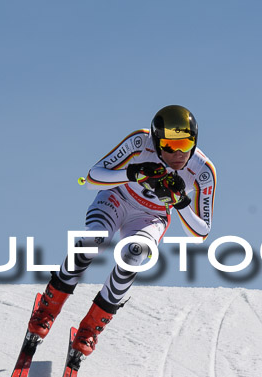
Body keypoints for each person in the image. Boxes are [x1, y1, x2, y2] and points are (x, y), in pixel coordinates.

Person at [26, 105, 217, 358]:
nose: (179, 153)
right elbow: (93, 177)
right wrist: (132, 173)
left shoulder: (203, 170)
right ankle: (47, 310)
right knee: (93, 241)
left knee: (133, 257)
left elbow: (201, 232)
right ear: (157, 140)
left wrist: (179, 202)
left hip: (151, 215)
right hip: (117, 198)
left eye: (185, 143)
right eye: (170, 146)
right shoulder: (141, 141)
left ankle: (89, 329)